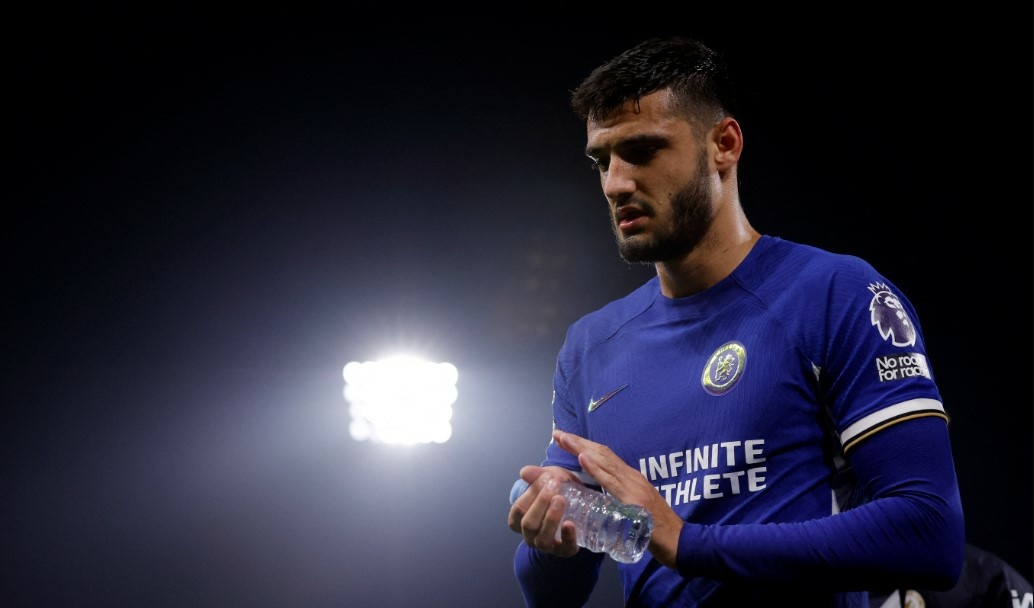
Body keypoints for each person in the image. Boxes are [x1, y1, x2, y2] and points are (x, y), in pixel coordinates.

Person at [506, 36, 966, 607]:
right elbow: (554, 595)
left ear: (724, 144)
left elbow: (929, 532)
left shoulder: (834, 293)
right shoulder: (590, 345)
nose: (616, 183)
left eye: (642, 151)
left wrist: (687, 542)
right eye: (603, 161)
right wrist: (550, 534)